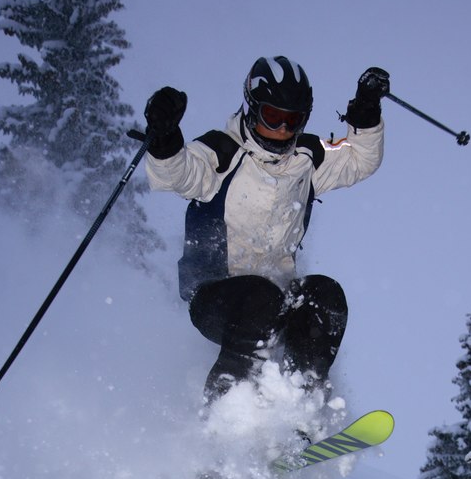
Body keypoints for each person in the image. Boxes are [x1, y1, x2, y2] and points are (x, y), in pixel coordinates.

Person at [143, 56, 389, 403]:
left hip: (276, 296)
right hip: (216, 297)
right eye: (274, 117)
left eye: (294, 120)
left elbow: (360, 160)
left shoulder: (307, 157)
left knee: (323, 294)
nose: (284, 130)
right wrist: (164, 138)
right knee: (262, 298)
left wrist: (365, 113)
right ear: (253, 108)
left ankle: (300, 405)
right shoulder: (221, 151)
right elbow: (178, 173)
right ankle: (225, 413)